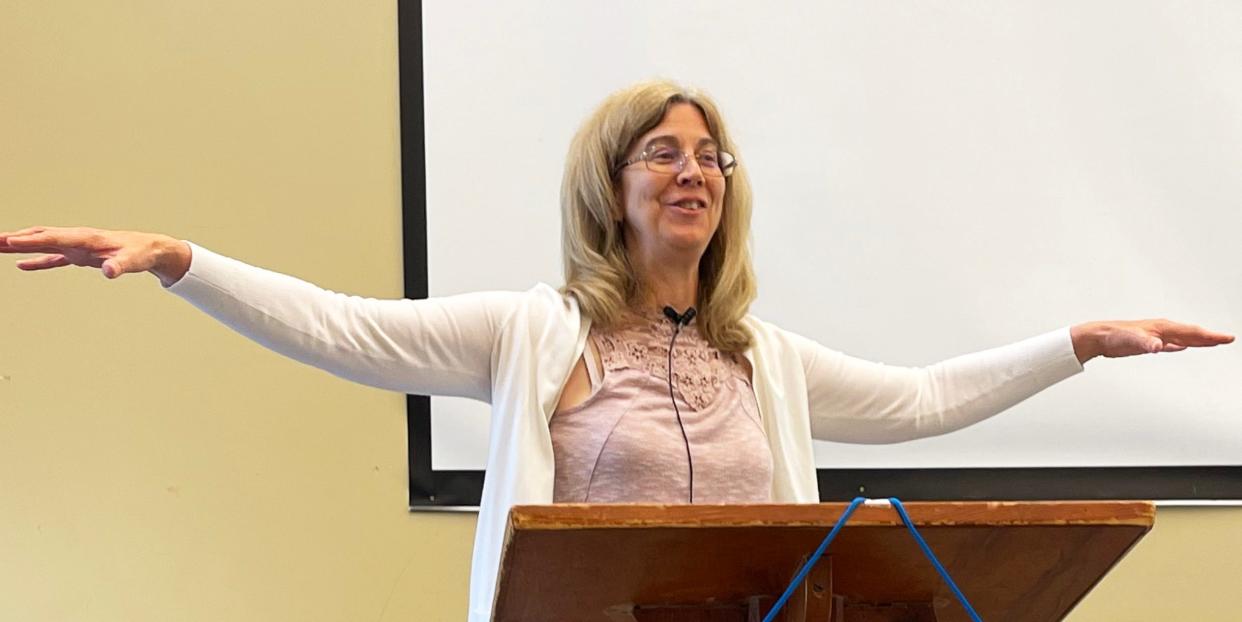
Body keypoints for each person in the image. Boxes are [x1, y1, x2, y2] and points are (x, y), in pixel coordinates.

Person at [1, 80, 1232, 621]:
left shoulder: (765, 358)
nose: (692, 168)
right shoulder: (535, 331)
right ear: (612, 185)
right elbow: (347, 327)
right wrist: (183, 261)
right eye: (662, 151)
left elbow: (916, 401)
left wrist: (1073, 344)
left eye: (709, 154)